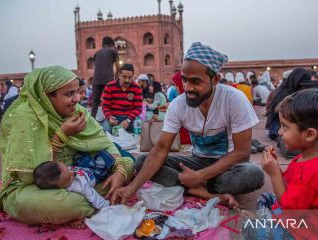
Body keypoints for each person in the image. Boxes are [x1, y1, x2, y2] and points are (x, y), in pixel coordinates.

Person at [111, 42, 264, 207]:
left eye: (195, 81)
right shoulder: (178, 105)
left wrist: (199, 176)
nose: (188, 87)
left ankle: (193, 185)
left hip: (227, 165)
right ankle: (203, 192)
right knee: (142, 161)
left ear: (215, 79)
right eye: (184, 80)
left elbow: (242, 152)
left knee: (253, 174)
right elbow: (161, 150)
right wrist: (131, 189)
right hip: (197, 162)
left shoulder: (234, 99)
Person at [0, 66, 134, 226]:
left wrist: (120, 171)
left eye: (77, 92)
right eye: (69, 94)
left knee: (127, 164)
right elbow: (34, 177)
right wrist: (60, 136)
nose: (77, 98)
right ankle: (94, 198)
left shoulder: (76, 111)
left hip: (77, 173)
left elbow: (103, 140)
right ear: (46, 97)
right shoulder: (25, 117)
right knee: (54, 205)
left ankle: (88, 197)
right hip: (38, 185)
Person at [245, 89, 318, 239]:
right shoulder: (304, 158)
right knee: (265, 198)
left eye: (285, 126)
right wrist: (276, 167)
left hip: (307, 232)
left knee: (251, 231)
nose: (280, 132)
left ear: (309, 134)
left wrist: (274, 174)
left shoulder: (314, 171)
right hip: (296, 213)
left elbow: (290, 211)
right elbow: (291, 185)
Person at [34, 161, 110, 210]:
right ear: (59, 188)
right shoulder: (78, 186)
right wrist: (105, 205)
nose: (72, 173)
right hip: (95, 175)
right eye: (68, 179)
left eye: (67, 168)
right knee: (106, 161)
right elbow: (92, 196)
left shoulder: (62, 174)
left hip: (84, 167)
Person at [101, 63, 142, 133]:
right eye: (124, 77)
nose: (127, 80)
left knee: (141, 129)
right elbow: (105, 107)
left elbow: (138, 108)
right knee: (105, 130)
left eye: (130, 77)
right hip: (114, 118)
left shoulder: (137, 88)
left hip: (130, 118)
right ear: (119, 75)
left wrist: (128, 120)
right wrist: (109, 117)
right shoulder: (109, 86)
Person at [91, 36, 119, 118]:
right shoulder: (113, 51)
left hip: (96, 80)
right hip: (108, 79)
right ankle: (112, 118)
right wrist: (117, 80)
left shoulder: (96, 53)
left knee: (95, 101)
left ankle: (92, 119)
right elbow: (118, 66)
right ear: (111, 44)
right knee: (111, 100)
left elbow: (97, 65)